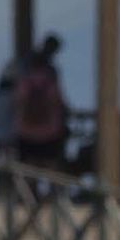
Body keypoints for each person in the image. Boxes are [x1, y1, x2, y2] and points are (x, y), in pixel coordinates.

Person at [14, 35, 70, 173]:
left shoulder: (25, 73)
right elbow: (57, 99)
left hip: (26, 129)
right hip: (49, 130)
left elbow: (18, 99)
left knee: (28, 168)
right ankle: (49, 194)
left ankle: (31, 193)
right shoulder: (50, 75)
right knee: (51, 166)